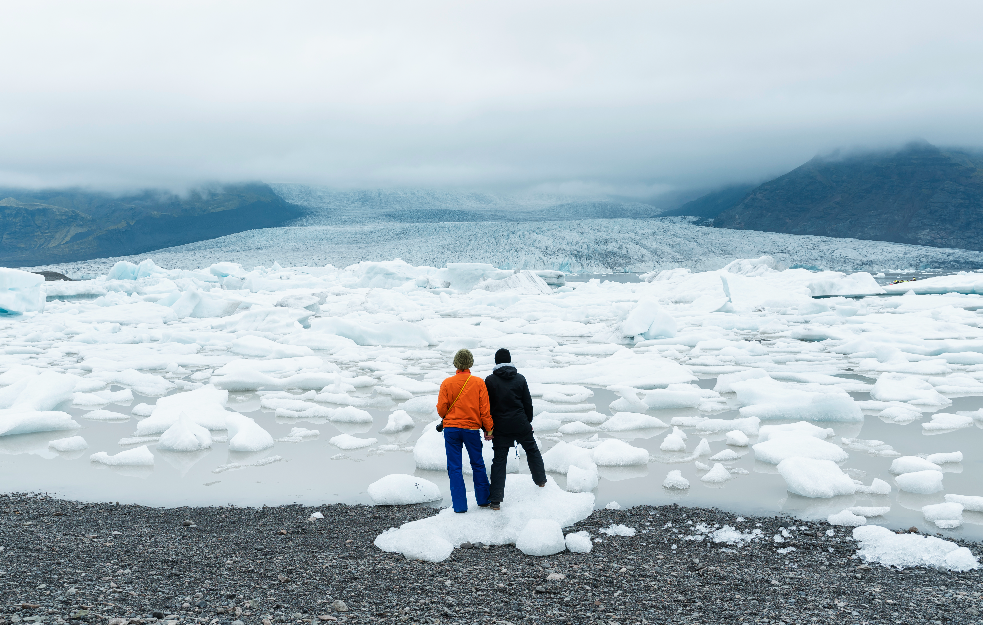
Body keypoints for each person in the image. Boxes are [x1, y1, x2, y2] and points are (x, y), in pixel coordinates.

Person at [484, 348, 547, 510]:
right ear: (510, 360)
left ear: (496, 362)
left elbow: (486, 408)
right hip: (520, 422)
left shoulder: (490, 381)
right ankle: (541, 481)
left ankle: (496, 500)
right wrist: (528, 421)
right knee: (532, 450)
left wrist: (488, 428)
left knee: (499, 460)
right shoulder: (520, 378)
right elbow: (528, 403)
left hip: (500, 426)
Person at [437, 348, 493, 513]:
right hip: (471, 430)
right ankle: (483, 500)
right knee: (477, 463)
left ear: (456, 363)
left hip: (451, 430)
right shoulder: (478, 383)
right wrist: (489, 429)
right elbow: (485, 410)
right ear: (471, 363)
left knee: (454, 467)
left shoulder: (447, 383)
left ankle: (460, 506)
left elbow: (441, 410)